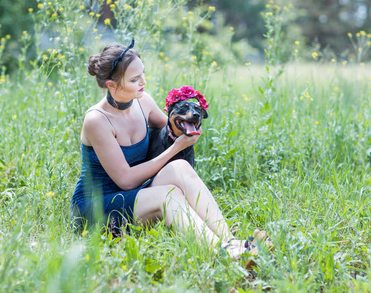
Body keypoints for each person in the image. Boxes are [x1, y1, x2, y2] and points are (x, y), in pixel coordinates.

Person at [70, 40, 255, 259]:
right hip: (97, 206)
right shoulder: (97, 120)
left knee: (180, 167)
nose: (144, 82)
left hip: (134, 192)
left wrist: (186, 126)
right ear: (111, 85)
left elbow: (169, 129)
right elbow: (126, 181)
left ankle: (229, 241)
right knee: (168, 195)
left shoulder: (143, 102)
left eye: (143, 74)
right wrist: (176, 147)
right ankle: (221, 253)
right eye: (134, 79)